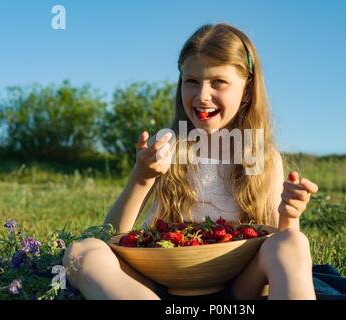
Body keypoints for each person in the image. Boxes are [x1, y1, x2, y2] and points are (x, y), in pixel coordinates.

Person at [62, 23, 319, 300]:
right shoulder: (169, 146)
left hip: (237, 289)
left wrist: (289, 217)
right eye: (192, 81)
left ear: (246, 90)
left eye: (218, 82)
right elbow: (111, 235)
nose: (202, 96)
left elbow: (274, 246)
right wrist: (141, 176)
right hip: (160, 284)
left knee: (292, 242)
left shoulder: (257, 154)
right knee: (83, 251)